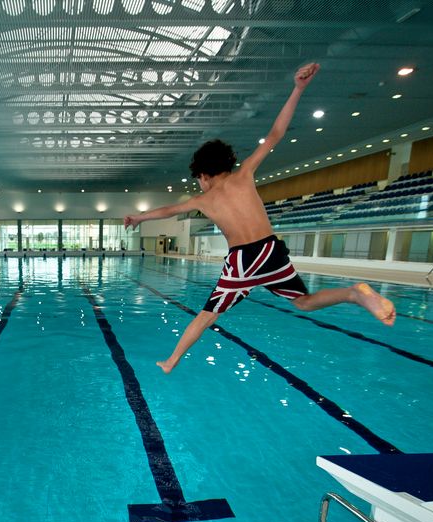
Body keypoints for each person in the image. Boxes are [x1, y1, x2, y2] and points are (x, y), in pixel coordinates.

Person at [124, 62, 396, 374]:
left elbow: (168, 211)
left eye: (198, 177)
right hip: (271, 251)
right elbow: (276, 134)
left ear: (203, 174)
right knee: (303, 302)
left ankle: (171, 361)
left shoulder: (205, 198)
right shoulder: (245, 174)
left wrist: (139, 217)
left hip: (244, 260)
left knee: (207, 314)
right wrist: (298, 89)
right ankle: (353, 293)